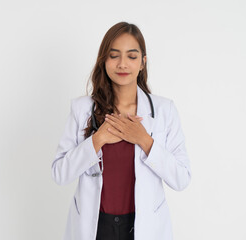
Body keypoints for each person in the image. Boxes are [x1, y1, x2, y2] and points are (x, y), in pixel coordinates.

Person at [51, 21, 192, 240]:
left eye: (132, 56)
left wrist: (144, 140)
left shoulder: (164, 110)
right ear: (104, 61)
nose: (122, 64)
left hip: (143, 227)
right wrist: (97, 140)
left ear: (143, 62)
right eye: (114, 55)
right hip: (95, 226)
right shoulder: (82, 109)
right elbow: (60, 174)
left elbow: (181, 178)